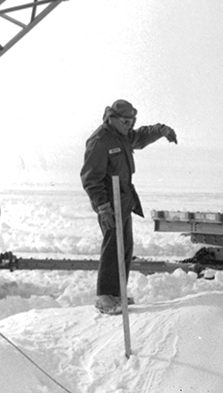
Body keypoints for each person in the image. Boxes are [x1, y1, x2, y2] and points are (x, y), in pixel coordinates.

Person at [80, 99, 177, 315]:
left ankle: (116, 294)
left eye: (132, 121)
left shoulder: (122, 135)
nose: (129, 125)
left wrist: (161, 130)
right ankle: (105, 297)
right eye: (125, 121)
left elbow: (141, 137)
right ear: (111, 118)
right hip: (109, 203)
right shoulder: (100, 141)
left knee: (125, 248)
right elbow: (90, 178)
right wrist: (103, 208)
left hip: (124, 200)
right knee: (113, 247)